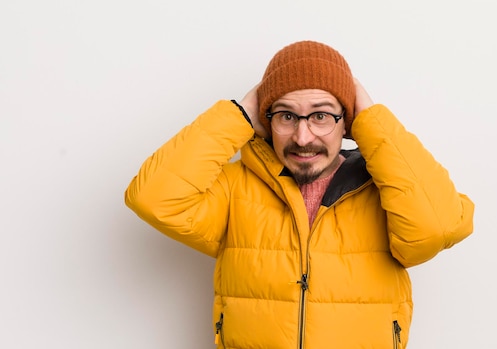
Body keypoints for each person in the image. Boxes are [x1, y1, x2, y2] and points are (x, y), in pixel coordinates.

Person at [125, 40, 474, 349]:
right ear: (266, 120)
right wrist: (238, 115)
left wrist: (372, 121)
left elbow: (438, 228)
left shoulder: (387, 190)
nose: (303, 136)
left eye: (321, 115)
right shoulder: (235, 188)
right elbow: (153, 199)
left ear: (346, 120)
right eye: (287, 116)